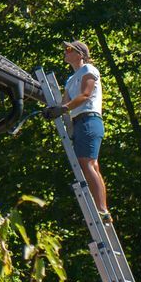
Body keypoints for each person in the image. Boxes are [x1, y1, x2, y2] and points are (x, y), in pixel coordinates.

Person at [44, 40, 111, 222]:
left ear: (80, 54)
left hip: (90, 120)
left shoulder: (89, 70)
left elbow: (85, 95)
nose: (65, 52)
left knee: (86, 163)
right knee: (92, 165)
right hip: (80, 122)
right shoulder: (70, 79)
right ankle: (103, 209)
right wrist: (53, 110)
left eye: (69, 49)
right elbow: (64, 103)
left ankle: (102, 209)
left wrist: (63, 109)